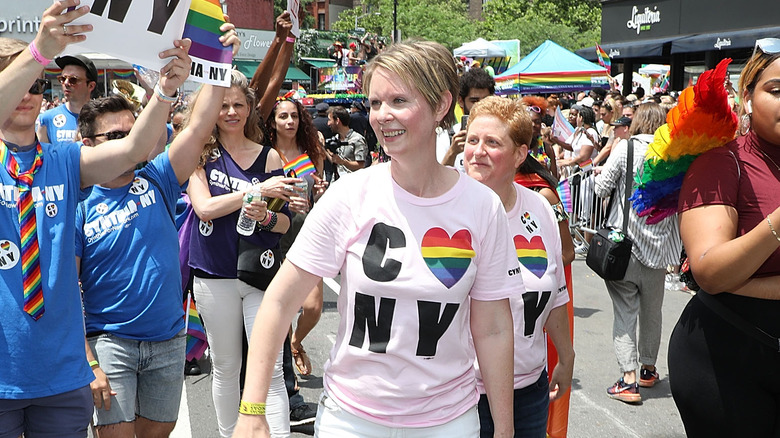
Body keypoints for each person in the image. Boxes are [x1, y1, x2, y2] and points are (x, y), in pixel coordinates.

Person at [233, 40, 519, 438]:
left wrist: (504, 429)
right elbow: (279, 302)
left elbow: (493, 329)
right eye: (375, 103)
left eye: (399, 100)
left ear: (441, 105)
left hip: (450, 422)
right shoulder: (350, 195)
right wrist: (252, 409)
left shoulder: (482, 207)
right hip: (350, 420)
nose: (382, 116)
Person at [0, 2, 191, 436]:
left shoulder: (64, 159)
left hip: (62, 375)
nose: (27, 93)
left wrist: (164, 91)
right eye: (16, 82)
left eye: (35, 85)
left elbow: (132, 150)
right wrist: (37, 52)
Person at [76, 25, 237, 437]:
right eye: (115, 136)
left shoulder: (158, 177)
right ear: (87, 143)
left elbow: (200, 127)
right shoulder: (77, 206)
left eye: (132, 132)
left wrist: (219, 63)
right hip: (110, 343)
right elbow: (65, 288)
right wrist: (89, 360)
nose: (128, 142)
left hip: (168, 342)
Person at [669, 40, 780, 436]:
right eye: (777, 90)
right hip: (725, 359)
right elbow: (711, 273)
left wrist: (751, 285)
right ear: (746, 98)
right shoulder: (721, 162)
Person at [187, 70, 300, 438]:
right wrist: (253, 193)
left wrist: (265, 214)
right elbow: (203, 208)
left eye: (238, 104)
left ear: (250, 108)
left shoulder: (269, 158)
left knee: (266, 368)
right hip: (212, 275)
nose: (231, 111)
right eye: (222, 105)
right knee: (225, 366)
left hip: (260, 275)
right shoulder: (199, 154)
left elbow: (284, 224)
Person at [464, 96, 574, 438]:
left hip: (530, 390)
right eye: (472, 140)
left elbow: (554, 290)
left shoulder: (540, 208)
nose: (477, 151)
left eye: (492, 142)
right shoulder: (445, 208)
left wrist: (566, 356)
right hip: (458, 393)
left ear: (520, 155)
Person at [593, 103, 681, 403]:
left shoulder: (626, 148)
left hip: (624, 248)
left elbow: (602, 188)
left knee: (625, 312)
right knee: (652, 312)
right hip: (659, 251)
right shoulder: (675, 153)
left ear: (637, 122)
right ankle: (648, 369)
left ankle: (628, 380)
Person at [263, 97, 327, 426]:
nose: (289, 121)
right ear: (272, 121)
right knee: (284, 308)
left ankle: (295, 342)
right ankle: (286, 387)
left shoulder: (311, 151)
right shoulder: (267, 153)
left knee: (314, 306)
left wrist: (321, 191)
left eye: (293, 116)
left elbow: (317, 195)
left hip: (308, 235)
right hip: (276, 237)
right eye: (282, 116)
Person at [440, 67, 495, 168]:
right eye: (474, 101)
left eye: (485, 100)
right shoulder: (447, 137)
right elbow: (436, 179)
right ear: (461, 101)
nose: (480, 106)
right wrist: (452, 152)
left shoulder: (501, 135)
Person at [37, 53, 97, 143]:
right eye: (62, 79)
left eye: (73, 80)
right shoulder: (47, 119)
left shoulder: (102, 118)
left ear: (91, 86)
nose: (66, 83)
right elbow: (41, 155)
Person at [325, 105, 367, 177]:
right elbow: (334, 160)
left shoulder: (357, 139)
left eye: (330, 120)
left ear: (337, 121)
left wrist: (343, 162)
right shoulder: (336, 139)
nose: (328, 124)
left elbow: (361, 165)